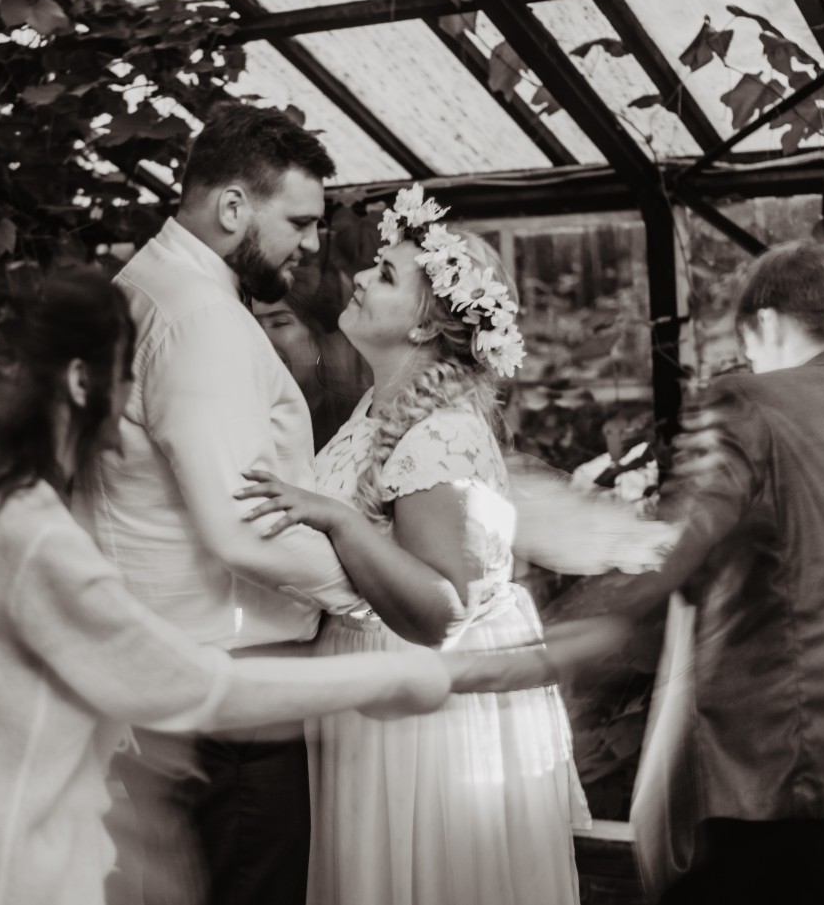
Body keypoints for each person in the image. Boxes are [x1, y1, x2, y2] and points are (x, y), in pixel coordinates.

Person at [0, 268, 569, 905]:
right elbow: (202, 687)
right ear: (80, 382)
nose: (134, 402)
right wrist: (422, 673)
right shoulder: (29, 535)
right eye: (125, 375)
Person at [531, 241, 824, 904]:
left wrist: (566, 560)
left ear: (766, 326)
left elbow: (668, 555)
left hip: (802, 800)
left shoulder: (752, 403)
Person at [236, 185, 589, 904]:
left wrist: (333, 520)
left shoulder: (442, 434)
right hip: (368, 687)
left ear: (427, 324)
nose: (361, 277)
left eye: (387, 274)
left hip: (417, 711)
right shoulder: (378, 407)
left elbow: (440, 611)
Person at [73, 103, 366, 905]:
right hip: (228, 697)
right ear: (233, 206)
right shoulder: (200, 318)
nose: (312, 244)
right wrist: (375, 591)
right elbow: (243, 529)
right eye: (299, 221)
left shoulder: (141, 288)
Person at [253, 264, 370, 448]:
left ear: (317, 333)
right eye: (253, 324)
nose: (260, 338)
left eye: (280, 322)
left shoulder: (355, 416)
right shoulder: (246, 413)